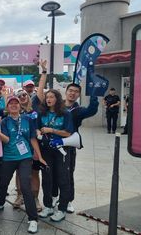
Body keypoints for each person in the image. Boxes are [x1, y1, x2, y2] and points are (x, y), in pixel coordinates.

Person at [0, 96, 44, 234]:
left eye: (16, 103)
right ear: (7, 107)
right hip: (8, 157)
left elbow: (32, 138)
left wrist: (39, 155)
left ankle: (33, 219)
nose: (13, 105)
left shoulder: (28, 120)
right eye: (10, 103)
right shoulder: (5, 121)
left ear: (20, 106)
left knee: (25, 185)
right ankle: (0, 203)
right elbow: (6, 140)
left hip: (25, 157)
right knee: (3, 182)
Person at [56, 83, 98, 213]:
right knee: (53, 174)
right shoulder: (58, 105)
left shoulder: (78, 110)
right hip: (53, 144)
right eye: (70, 90)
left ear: (79, 94)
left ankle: (68, 200)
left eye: (76, 91)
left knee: (68, 174)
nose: (72, 93)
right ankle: (54, 197)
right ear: (66, 91)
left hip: (69, 146)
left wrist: (93, 93)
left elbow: (92, 109)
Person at [37, 89, 73, 222]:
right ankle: (48, 206)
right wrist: (38, 132)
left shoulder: (65, 114)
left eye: (51, 97)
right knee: (46, 178)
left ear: (57, 98)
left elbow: (68, 133)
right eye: (47, 97)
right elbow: (37, 127)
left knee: (63, 179)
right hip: (46, 150)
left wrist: (51, 130)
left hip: (61, 150)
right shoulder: (42, 113)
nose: (48, 99)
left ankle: (62, 208)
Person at [12, 89, 43, 212]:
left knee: (35, 172)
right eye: (19, 96)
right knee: (19, 172)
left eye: (24, 94)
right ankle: (20, 196)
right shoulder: (15, 112)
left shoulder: (36, 108)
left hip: (35, 145)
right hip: (20, 147)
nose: (22, 96)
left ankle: (35, 198)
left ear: (29, 96)